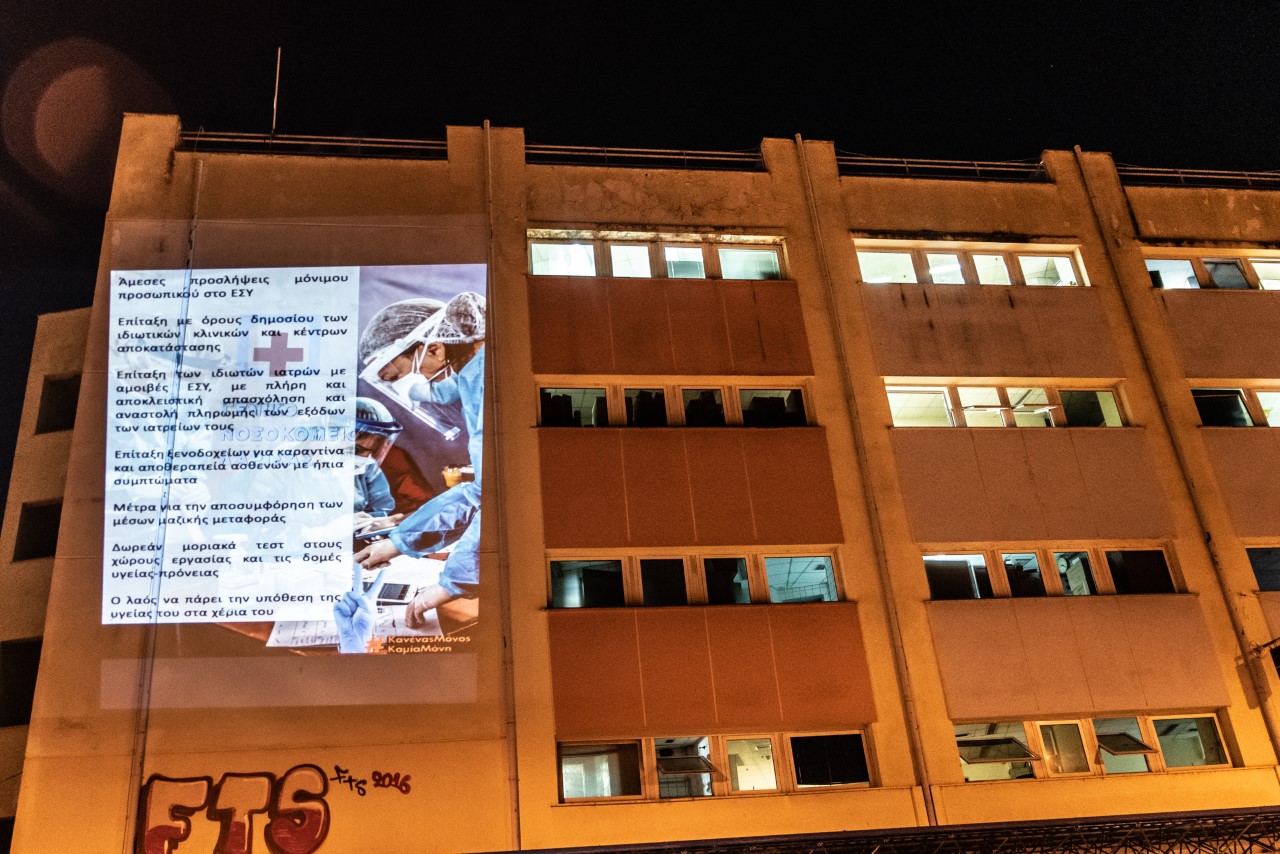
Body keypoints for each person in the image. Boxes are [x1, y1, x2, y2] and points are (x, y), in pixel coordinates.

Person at [354, 291, 485, 630]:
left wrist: (450, 584)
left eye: (398, 377)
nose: (415, 390)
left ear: (436, 349)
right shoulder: (475, 378)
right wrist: (397, 542)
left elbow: (500, 499)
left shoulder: (487, 381)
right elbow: (482, 494)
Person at [352, 397, 398, 524]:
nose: (366, 457)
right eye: (356, 449)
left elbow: (381, 506)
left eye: (375, 449)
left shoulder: (368, 468)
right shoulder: (304, 471)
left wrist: (370, 524)